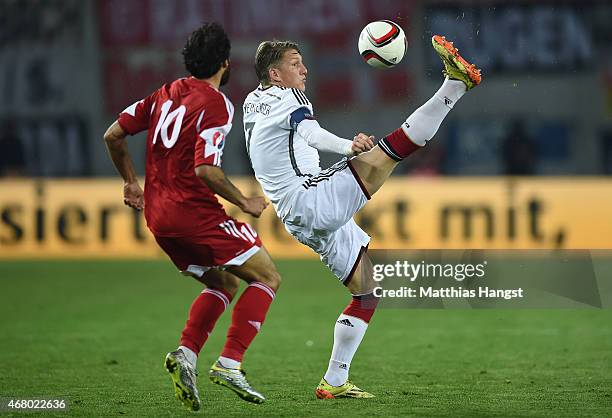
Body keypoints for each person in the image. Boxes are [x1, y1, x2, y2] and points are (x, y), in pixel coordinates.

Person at [243, 34, 481, 398]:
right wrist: (347, 146)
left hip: (298, 214)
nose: (304, 69)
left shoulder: (252, 101)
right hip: (310, 198)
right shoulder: (287, 97)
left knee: (367, 293)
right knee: (391, 150)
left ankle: (334, 381)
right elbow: (310, 133)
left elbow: (290, 139)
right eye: (295, 63)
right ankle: (455, 85)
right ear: (275, 74)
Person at [103, 23, 281, 411]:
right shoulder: (216, 103)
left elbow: (113, 134)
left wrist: (132, 184)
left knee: (223, 285)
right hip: (193, 213)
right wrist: (244, 202)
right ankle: (231, 363)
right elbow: (206, 170)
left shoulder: (164, 94)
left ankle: (186, 354)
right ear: (224, 62)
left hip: (158, 217)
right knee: (267, 276)